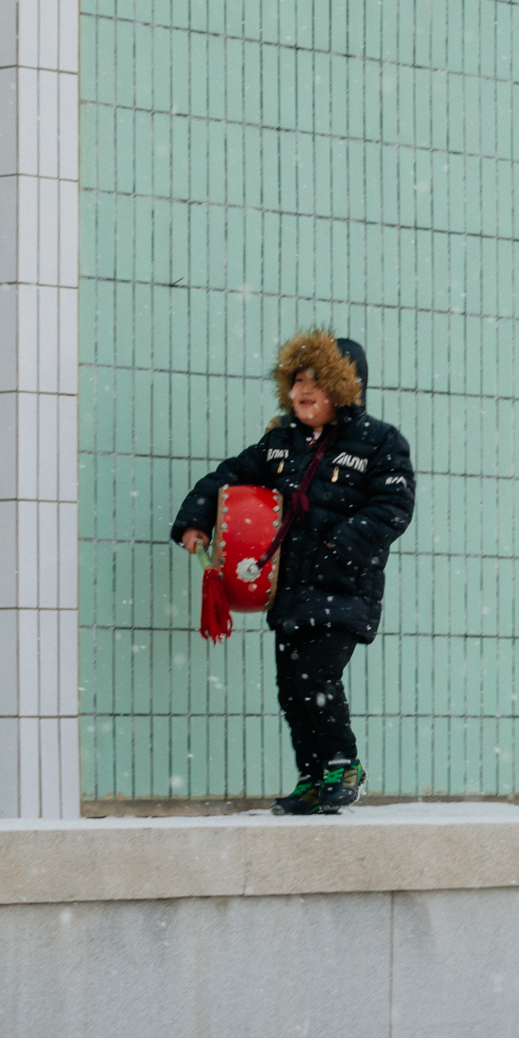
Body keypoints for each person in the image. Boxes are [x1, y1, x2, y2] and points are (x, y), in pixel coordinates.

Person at [172, 329, 416, 815]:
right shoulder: (281, 442)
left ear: (343, 388)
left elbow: (394, 506)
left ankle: (343, 766)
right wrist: (196, 519)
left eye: (317, 381)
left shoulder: (378, 442)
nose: (304, 390)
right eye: (298, 380)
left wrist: (339, 546)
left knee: (319, 677)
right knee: (292, 688)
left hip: (343, 587)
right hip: (290, 591)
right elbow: (228, 477)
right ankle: (313, 776)